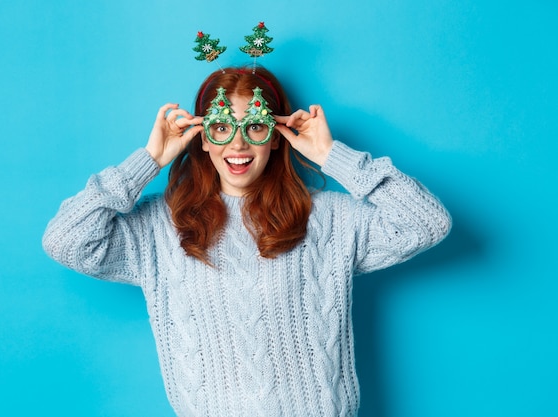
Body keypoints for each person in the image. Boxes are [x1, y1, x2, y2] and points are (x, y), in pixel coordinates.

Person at [42, 66, 451, 417]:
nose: (237, 144)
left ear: (276, 136)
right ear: (202, 137)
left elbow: (426, 223)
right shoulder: (159, 227)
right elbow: (66, 240)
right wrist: (148, 159)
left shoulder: (329, 218)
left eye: (254, 125)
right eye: (220, 127)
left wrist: (331, 155)